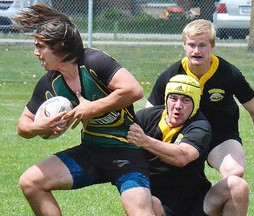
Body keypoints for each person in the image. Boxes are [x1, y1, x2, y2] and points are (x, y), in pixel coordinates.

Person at [14, 4, 159, 216]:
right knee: (30, 182)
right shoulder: (51, 82)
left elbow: (134, 90)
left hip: (126, 152)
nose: (36, 53)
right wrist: (38, 127)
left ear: (60, 45)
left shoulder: (94, 62)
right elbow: (22, 126)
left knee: (140, 211)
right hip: (91, 151)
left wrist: (92, 108)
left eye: (40, 47)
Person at [146, 19, 254, 183]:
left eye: (202, 45)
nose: (196, 51)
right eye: (191, 45)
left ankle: (219, 206)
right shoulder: (172, 75)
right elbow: (149, 114)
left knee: (235, 172)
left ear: (212, 46)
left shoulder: (229, 73)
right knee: (172, 182)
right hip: (184, 139)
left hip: (220, 136)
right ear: (184, 46)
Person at [127, 74, 249, 216]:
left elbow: (182, 157)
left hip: (198, 206)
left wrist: (145, 141)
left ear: (195, 104)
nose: (178, 106)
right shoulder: (146, 118)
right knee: (145, 200)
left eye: (185, 100)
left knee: (238, 186)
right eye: (173, 98)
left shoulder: (200, 126)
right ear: (166, 100)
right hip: (160, 206)